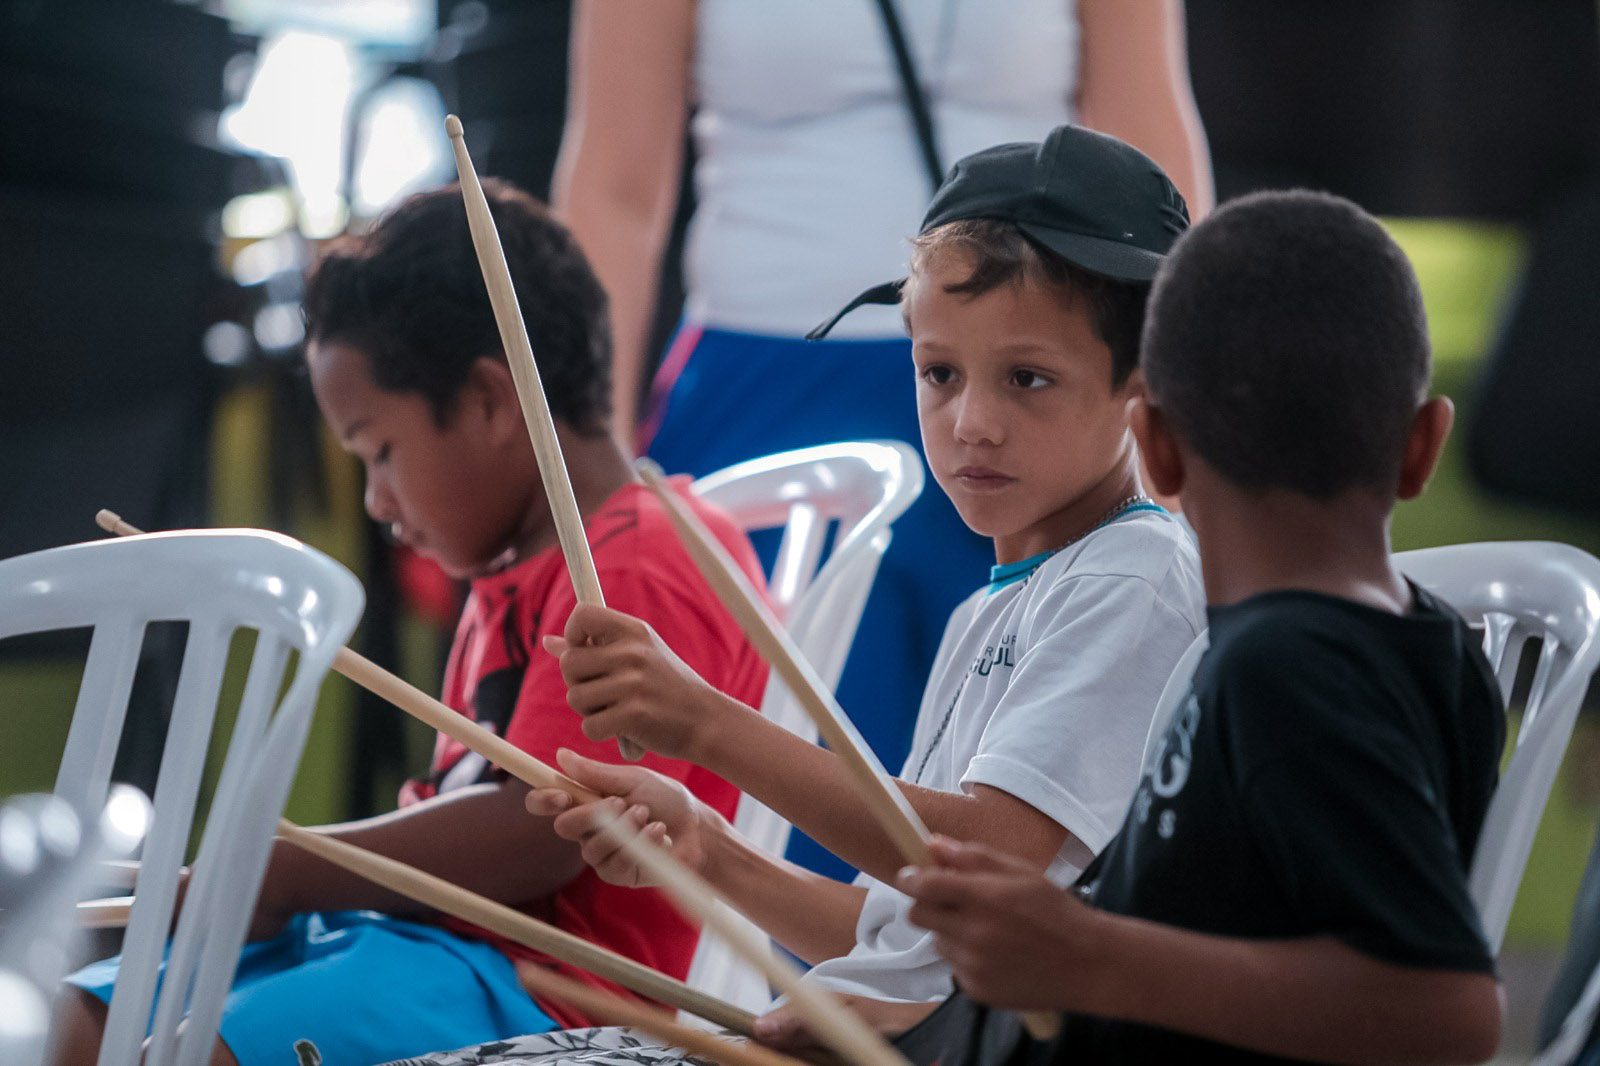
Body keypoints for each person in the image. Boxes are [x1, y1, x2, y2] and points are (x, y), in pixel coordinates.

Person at [501, 126, 1206, 1055]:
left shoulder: (1136, 577)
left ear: (1145, 392)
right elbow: (900, 937)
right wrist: (709, 852)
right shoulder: (994, 605)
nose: (973, 423)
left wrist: (704, 724)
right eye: (940, 374)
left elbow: (989, 862)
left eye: (1027, 378)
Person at [51, 181, 771, 1066]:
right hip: (409, 949)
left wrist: (276, 868)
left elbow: (542, 828)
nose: (375, 500)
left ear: (487, 402)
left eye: (379, 450)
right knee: (72, 1024)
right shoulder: (513, 568)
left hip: (539, 996)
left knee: (190, 1049)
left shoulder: (642, 554)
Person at [555, 2, 1214, 875]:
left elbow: (1154, 157)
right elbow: (615, 186)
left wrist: (1180, 440)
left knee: (1024, 799)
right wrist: (578, 467)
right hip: (765, 381)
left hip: (1051, 382)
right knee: (773, 804)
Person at [894, 189, 1507, 1064]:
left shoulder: (1287, 668)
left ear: (1158, 445)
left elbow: (1450, 1015)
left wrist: (1088, 956)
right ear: (1423, 446)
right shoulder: (1421, 649)